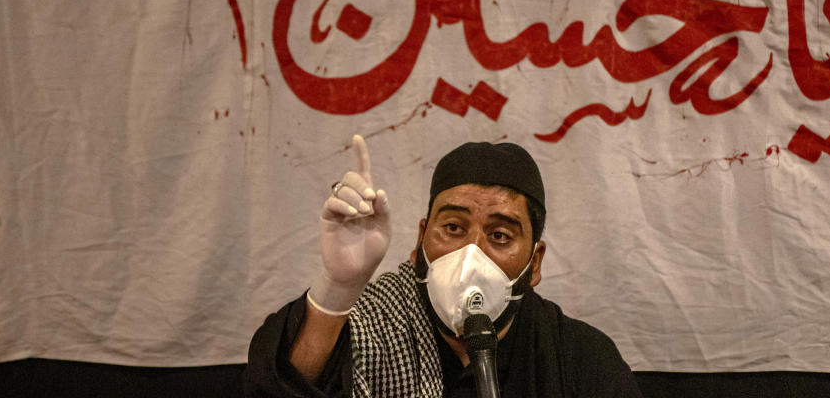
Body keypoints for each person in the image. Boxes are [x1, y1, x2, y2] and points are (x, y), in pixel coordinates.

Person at [245, 135, 643, 397]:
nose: (472, 253)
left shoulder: (579, 357)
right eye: (453, 227)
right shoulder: (374, 325)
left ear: (534, 263)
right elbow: (275, 390)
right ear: (420, 242)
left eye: (500, 236)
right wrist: (337, 290)